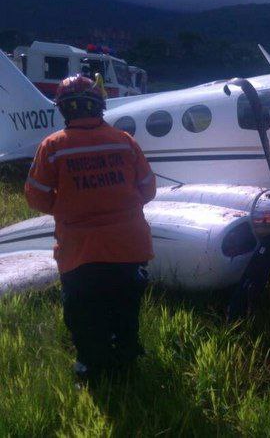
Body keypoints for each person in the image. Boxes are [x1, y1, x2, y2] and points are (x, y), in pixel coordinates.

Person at [25, 74, 156, 380]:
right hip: (128, 247)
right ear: (99, 106)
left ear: (63, 108)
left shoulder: (52, 146)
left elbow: (35, 196)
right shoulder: (125, 142)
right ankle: (127, 363)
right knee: (125, 309)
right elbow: (148, 189)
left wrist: (69, 208)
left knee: (84, 315)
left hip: (79, 252)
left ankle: (92, 371)